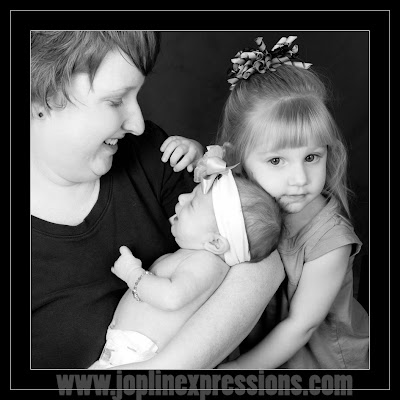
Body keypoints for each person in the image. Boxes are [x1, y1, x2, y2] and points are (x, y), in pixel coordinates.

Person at [31, 31, 285, 369]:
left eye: (136, 94)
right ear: (43, 99)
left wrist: (163, 371)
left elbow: (260, 257)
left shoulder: (152, 153)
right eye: (116, 100)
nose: (137, 124)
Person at [165, 35, 369, 369]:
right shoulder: (240, 190)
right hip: (255, 346)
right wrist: (192, 154)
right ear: (237, 158)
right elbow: (209, 183)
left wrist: (237, 370)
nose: (299, 178)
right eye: (276, 161)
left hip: (318, 361)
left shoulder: (331, 242)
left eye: (312, 157)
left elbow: (300, 327)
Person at [89, 146, 283, 369]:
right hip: (127, 351)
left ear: (215, 243)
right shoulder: (194, 256)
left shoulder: (207, 263)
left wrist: (133, 274)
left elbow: (172, 297)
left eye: (191, 204)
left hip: (138, 356)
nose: (182, 197)